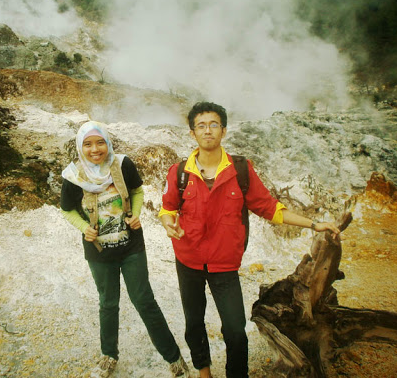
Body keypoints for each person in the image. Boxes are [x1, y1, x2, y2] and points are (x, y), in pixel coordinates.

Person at [158, 102, 341, 378]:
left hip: (224, 264)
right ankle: (204, 372)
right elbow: (168, 208)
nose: (207, 131)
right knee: (194, 323)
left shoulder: (240, 170)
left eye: (214, 125)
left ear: (224, 130)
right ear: (192, 133)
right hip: (189, 261)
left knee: (235, 329)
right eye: (201, 126)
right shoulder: (180, 173)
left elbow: (270, 208)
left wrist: (314, 224)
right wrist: (168, 223)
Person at [60, 121, 190, 378]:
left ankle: (174, 358)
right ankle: (109, 355)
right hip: (99, 252)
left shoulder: (122, 164)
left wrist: (136, 213)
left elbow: (137, 191)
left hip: (131, 246)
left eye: (100, 142)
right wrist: (84, 228)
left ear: (108, 143)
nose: (95, 149)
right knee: (108, 303)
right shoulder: (73, 176)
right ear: (80, 147)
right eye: (88, 144)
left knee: (144, 300)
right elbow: (67, 210)